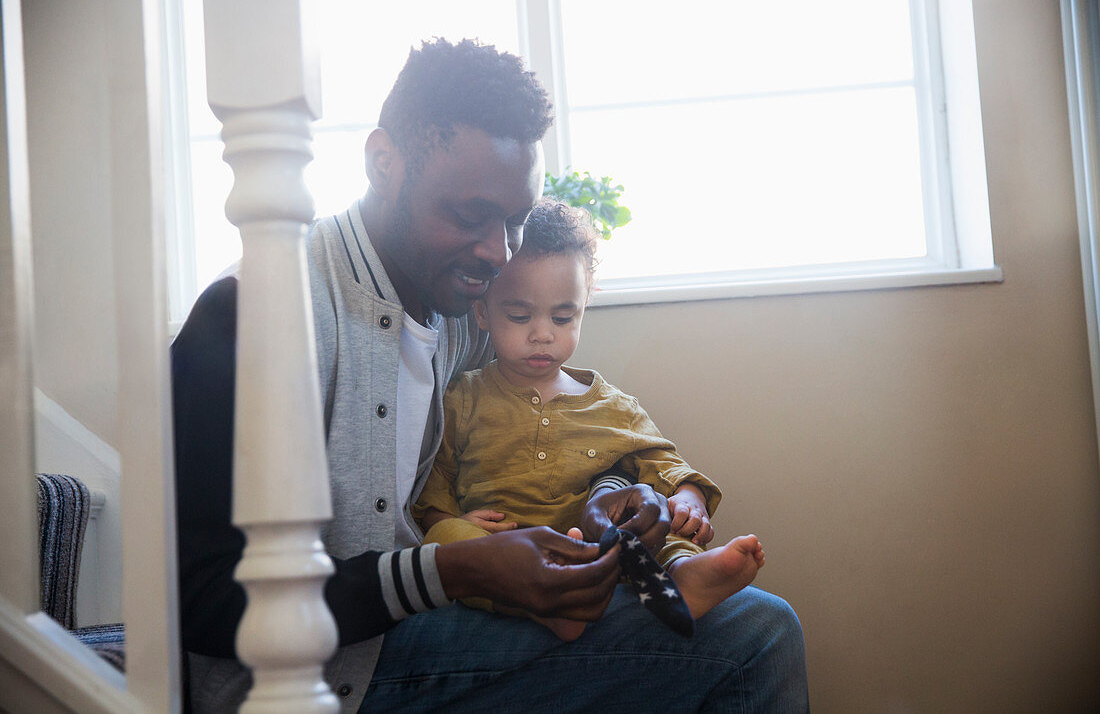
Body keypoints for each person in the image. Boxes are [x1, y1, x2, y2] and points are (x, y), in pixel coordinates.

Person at [173, 37, 809, 713]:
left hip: (414, 625)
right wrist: (450, 568)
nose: (497, 252)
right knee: (755, 634)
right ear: (383, 162)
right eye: (471, 216)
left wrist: (611, 492)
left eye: (513, 221)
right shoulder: (254, 312)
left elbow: (541, 420)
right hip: (315, 676)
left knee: (735, 615)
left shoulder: (460, 314)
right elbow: (200, 598)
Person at [413, 199, 767, 640]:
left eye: (563, 317)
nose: (543, 333)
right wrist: (445, 519)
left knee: (653, 524)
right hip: (506, 557)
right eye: (519, 315)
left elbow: (661, 461)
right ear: (483, 312)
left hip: (595, 555)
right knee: (442, 540)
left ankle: (685, 576)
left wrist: (689, 496)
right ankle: (547, 608)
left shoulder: (613, 406)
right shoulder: (462, 397)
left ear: (583, 306)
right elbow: (434, 479)